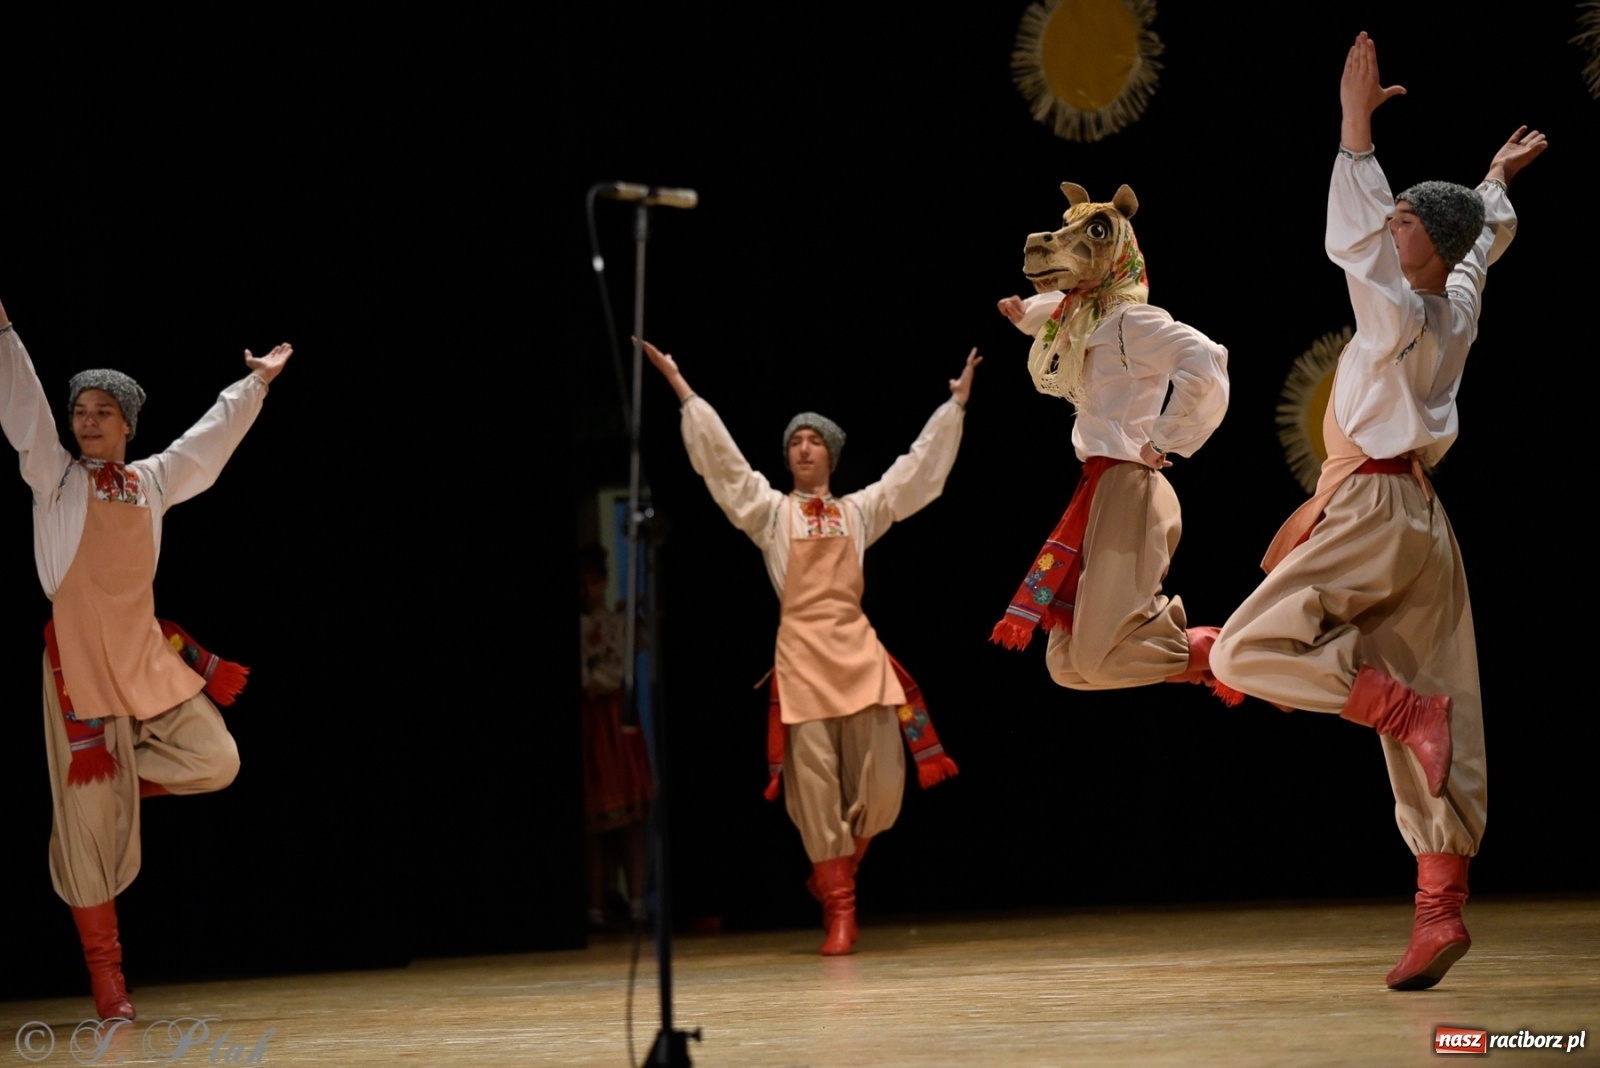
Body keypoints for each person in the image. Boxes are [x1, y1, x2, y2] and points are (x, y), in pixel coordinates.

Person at [1209, 32, 1547, 990]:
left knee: (1246, 651)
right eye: (1393, 216)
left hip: (1368, 505)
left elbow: (1354, 243)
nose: (1388, 230)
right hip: (1421, 524)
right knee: (1448, 693)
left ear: (1418, 249)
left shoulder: (1398, 311)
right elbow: (1485, 240)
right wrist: (1492, 176)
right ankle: (1440, 912)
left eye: (1402, 223)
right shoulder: (1457, 299)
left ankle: (1398, 707)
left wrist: (1355, 128)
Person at [0, 296, 292, 1020]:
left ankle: (125, 783)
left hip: (145, 657)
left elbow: (207, 444)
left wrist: (252, 385)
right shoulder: (56, 482)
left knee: (217, 760)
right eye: (82, 412)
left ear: (128, 424)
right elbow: (24, 407)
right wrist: (4, 334)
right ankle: (110, 989)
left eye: (103, 412)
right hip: (80, 674)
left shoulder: (151, 482)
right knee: (84, 841)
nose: (87, 422)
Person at [639, 337, 977, 956]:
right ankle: (840, 909)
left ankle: (836, 873)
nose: (802, 448)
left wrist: (953, 405)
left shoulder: (857, 512)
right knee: (815, 786)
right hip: (799, 656)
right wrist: (683, 391)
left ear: (832, 455)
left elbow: (915, 472)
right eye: (795, 441)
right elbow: (724, 468)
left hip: (857, 650)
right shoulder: (770, 514)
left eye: (813, 440)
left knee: (881, 786)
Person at [991, 184, 1234, 703]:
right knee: (1066, 664)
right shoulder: (1091, 316)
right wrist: (1026, 315)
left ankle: (1231, 651)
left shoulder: (1132, 321)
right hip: (1098, 487)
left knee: (1098, 654)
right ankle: (1202, 658)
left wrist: (1165, 437)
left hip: (1130, 485)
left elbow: (1207, 361)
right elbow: (1064, 317)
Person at [578, 545, 651, 930]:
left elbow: (624, 662)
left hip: (617, 719)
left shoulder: (616, 622)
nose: (591, 589)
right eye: (585, 583)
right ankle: (597, 904)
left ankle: (637, 900)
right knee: (595, 824)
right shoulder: (583, 627)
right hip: (592, 723)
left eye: (596, 582)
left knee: (630, 821)